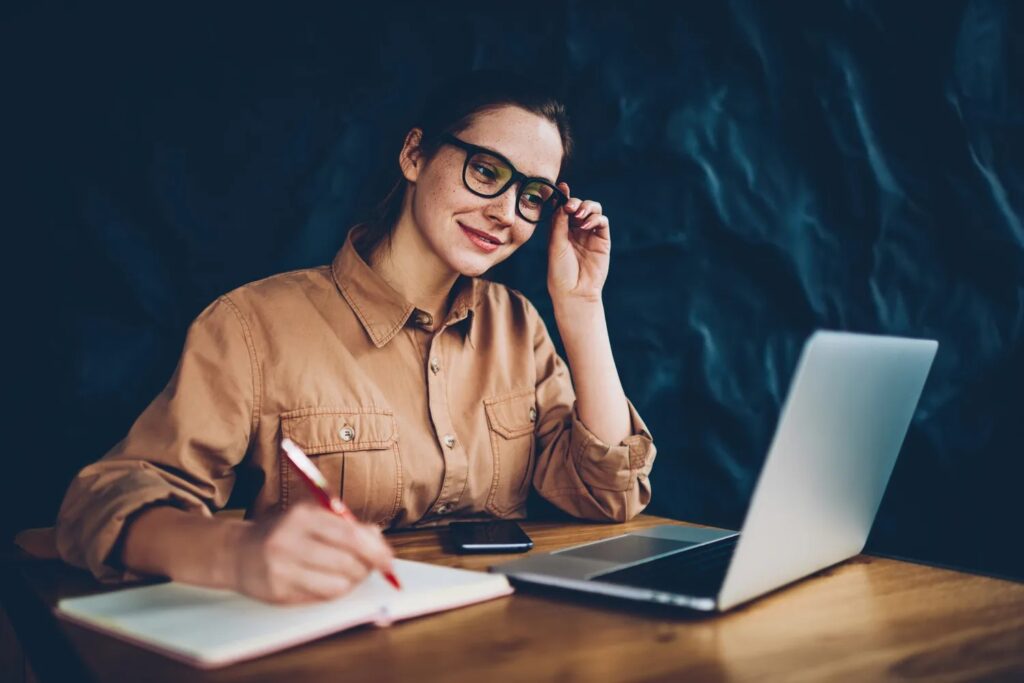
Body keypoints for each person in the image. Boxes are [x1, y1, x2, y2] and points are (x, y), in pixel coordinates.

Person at [55, 69, 657, 604]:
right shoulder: (251, 325)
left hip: (497, 641)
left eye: (532, 196)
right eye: (485, 171)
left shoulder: (518, 326)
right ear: (415, 155)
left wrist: (582, 307)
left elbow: (608, 496)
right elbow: (102, 503)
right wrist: (236, 552)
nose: (505, 211)